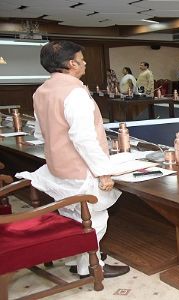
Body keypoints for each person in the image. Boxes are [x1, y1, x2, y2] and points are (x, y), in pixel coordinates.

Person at [16, 40, 130, 278]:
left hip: (57, 167)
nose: (85, 62)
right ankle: (89, 266)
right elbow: (83, 139)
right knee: (97, 217)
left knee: (72, 214)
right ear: (71, 64)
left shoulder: (41, 91)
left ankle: (86, 255)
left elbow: (39, 133)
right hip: (80, 169)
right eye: (82, 58)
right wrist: (103, 172)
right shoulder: (75, 92)